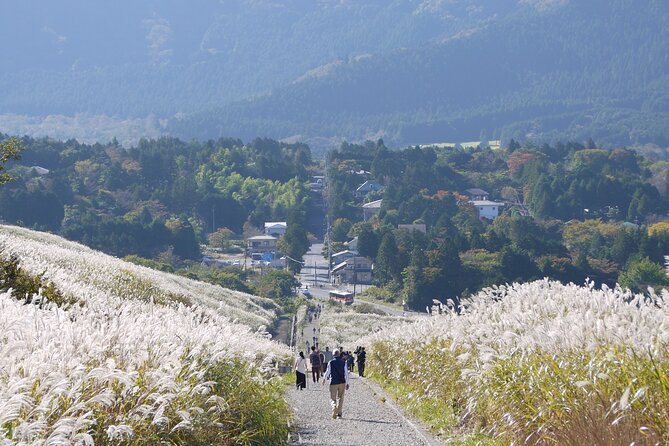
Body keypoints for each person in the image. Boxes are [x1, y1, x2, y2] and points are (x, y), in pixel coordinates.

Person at [323, 349, 350, 419]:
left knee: (333, 397)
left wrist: (324, 379)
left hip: (333, 382)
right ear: (339, 354)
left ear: (333, 355)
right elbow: (346, 373)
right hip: (342, 382)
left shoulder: (330, 362)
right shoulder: (344, 362)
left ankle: (334, 406)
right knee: (341, 398)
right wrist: (347, 383)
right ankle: (339, 413)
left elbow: (327, 372)